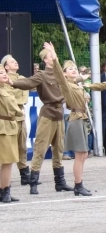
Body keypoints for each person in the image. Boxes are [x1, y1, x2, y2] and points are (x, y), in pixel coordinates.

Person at [8, 48, 73, 195]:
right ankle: (33, 182)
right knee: (40, 149)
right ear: (45, 60)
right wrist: (13, 83)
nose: (55, 57)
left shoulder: (60, 75)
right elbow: (28, 83)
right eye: (51, 55)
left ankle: (60, 182)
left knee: (59, 149)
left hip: (59, 114)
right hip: (48, 114)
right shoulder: (41, 75)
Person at [43, 42, 92, 196]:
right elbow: (57, 72)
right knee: (80, 153)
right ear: (64, 73)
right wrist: (54, 55)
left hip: (82, 117)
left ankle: (80, 182)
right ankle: (78, 185)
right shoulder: (66, 84)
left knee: (83, 154)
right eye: (70, 69)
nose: (74, 71)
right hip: (76, 118)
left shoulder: (76, 84)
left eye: (75, 68)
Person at [1, 55, 29, 186]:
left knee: (22, 146)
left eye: (15, 60)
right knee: (8, 150)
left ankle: (25, 175)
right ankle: (5, 183)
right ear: (6, 67)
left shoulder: (22, 78)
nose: (15, 62)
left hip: (21, 114)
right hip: (10, 115)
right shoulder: (5, 82)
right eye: (12, 61)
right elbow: (12, 97)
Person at [0, 63, 22, 202]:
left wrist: (10, 82)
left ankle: (4, 190)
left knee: (9, 161)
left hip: (10, 125)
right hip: (3, 126)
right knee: (6, 161)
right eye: (0, 72)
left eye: (3, 72)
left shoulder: (7, 88)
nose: (3, 74)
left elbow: (21, 94)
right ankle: (5, 191)